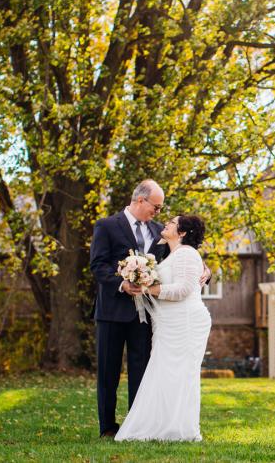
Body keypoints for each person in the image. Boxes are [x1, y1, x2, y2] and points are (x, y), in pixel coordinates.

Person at [89, 180, 208, 438]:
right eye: (156, 206)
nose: (158, 212)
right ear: (140, 200)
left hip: (147, 315)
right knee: (108, 371)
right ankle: (108, 427)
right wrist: (121, 284)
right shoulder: (106, 226)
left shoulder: (160, 231)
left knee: (141, 370)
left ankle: (138, 425)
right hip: (111, 310)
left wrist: (205, 271)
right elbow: (98, 265)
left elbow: (182, 259)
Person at [115, 215, 212, 442]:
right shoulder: (171, 253)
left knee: (180, 375)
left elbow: (183, 290)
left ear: (183, 232)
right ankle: (161, 427)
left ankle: (180, 429)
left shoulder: (187, 253)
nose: (165, 223)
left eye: (172, 222)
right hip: (167, 323)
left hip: (185, 322)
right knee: (164, 373)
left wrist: (147, 287)